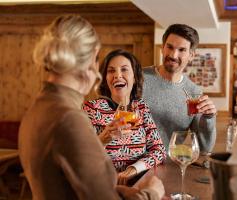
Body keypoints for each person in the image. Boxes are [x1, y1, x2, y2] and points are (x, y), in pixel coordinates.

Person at [18, 15, 165, 200]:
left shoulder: (39, 108)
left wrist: (128, 189)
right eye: (101, 63)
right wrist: (151, 193)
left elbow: (78, 187)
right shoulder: (70, 119)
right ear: (91, 60)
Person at [83, 49, 166, 185]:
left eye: (124, 69)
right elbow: (81, 157)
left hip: (138, 184)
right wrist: (102, 140)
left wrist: (134, 169)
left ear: (134, 78)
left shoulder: (140, 107)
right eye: (111, 71)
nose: (117, 75)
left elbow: (159, 150)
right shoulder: (91, 109)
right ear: (105, 79)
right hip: (104, 186)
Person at [143, 24, 217, 152]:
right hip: (130, 164)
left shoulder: (194, 93)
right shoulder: (138, 77)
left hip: (166, 167)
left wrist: (209, 118)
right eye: (169, 47)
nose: (173, 55)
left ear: (191, 55)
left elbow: (204, 148)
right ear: (162, 48)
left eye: (182, 50)